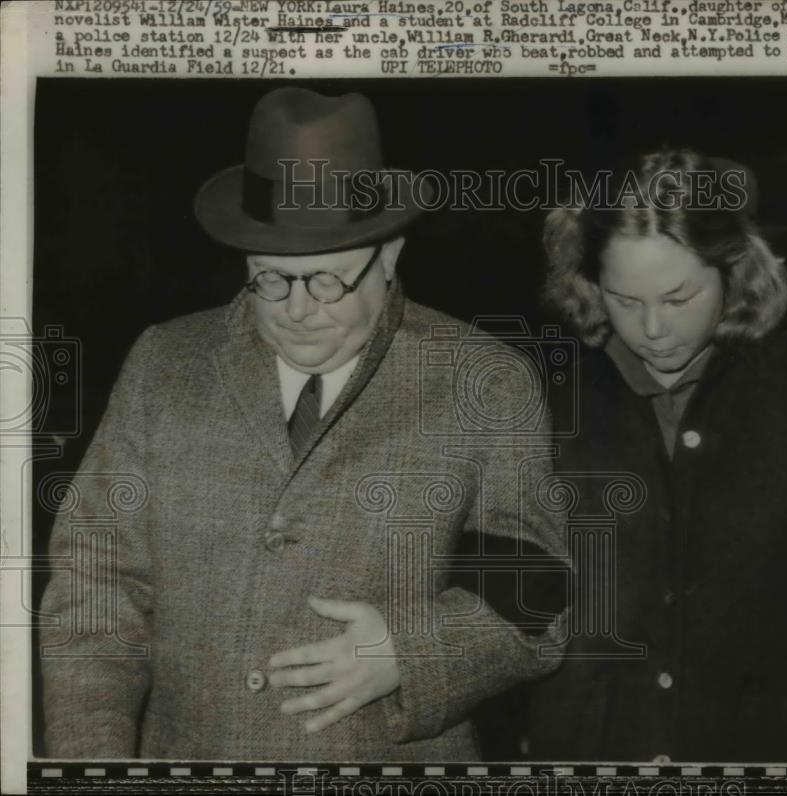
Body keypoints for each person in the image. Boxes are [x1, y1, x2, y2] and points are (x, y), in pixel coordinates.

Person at [39, 87, 566, 760]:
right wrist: (93, 764)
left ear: (390, 256)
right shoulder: (166, 365)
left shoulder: (481, 383)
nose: (297, 309)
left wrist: (410, 655)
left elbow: (538, 597)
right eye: (270, 279)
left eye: (326, 282)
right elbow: (95, 585)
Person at [526, 145, 787, 762]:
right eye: (624, 300)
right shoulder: (545, 406)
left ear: (736, 272)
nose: (652, 328)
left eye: (679, 298)